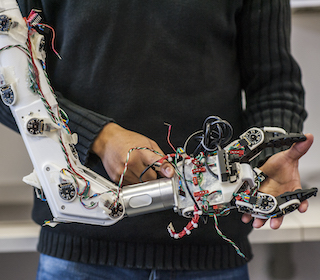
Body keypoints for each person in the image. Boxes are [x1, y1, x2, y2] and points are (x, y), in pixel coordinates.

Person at [0, 0, 313, 279]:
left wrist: (273, 154)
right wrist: (100, 137)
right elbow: (8, 87)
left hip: (210, 255)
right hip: (78, 252)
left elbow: (274, 84)